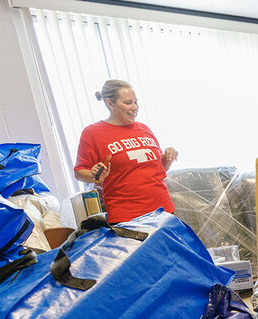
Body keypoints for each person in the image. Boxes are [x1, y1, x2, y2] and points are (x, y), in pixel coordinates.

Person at [74, 79, 179, 224]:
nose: (135, 107)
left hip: (163, 210)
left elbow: (158, 168)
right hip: (127, 218)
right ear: (110, 103)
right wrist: (94, 175)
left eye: (136, 102)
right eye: (128, 103)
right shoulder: (92, 133)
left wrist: (167, 158)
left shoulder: (144, 129)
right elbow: (79, 172)